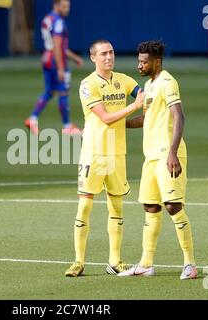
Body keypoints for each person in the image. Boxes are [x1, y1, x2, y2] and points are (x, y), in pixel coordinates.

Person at [64, 40, 145, 277]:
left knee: (117, 208)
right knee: (85, 205)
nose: (108, 57)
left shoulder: (124, 80)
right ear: (93, 58)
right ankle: (78, 261)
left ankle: (115, 262)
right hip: (94, 154)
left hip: (117, 154)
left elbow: (143, 93)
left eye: (111, 52)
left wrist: (146, 102)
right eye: (103, 54)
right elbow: (106, 118)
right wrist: (135, 107)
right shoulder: (88, 85)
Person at [118, 40, 197, 280]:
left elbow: (179, 116)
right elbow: (147, 118)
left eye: (143, 61)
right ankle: (145, 264)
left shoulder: (167, 82)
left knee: (173, 206)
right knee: (150, 207)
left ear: (157, 62)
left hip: (167, 154)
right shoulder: (148, 85)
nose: (139, 65)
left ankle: (190, 265)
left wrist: (172, 152)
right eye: (138, 61)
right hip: (151, 156)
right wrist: (118, 123)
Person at [24, 0, 84, 136]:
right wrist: (61, 68)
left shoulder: (47, 19)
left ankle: (32, 118)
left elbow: (53, 45)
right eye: (64, 6)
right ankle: (67, 125)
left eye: (68, 6)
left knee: (50, 90)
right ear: (56, 5)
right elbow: (57, 46)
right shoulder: (58, 22)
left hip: (47, 57)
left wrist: (74, 57)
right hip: (56, 60)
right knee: (64, 91)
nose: (67, 9)